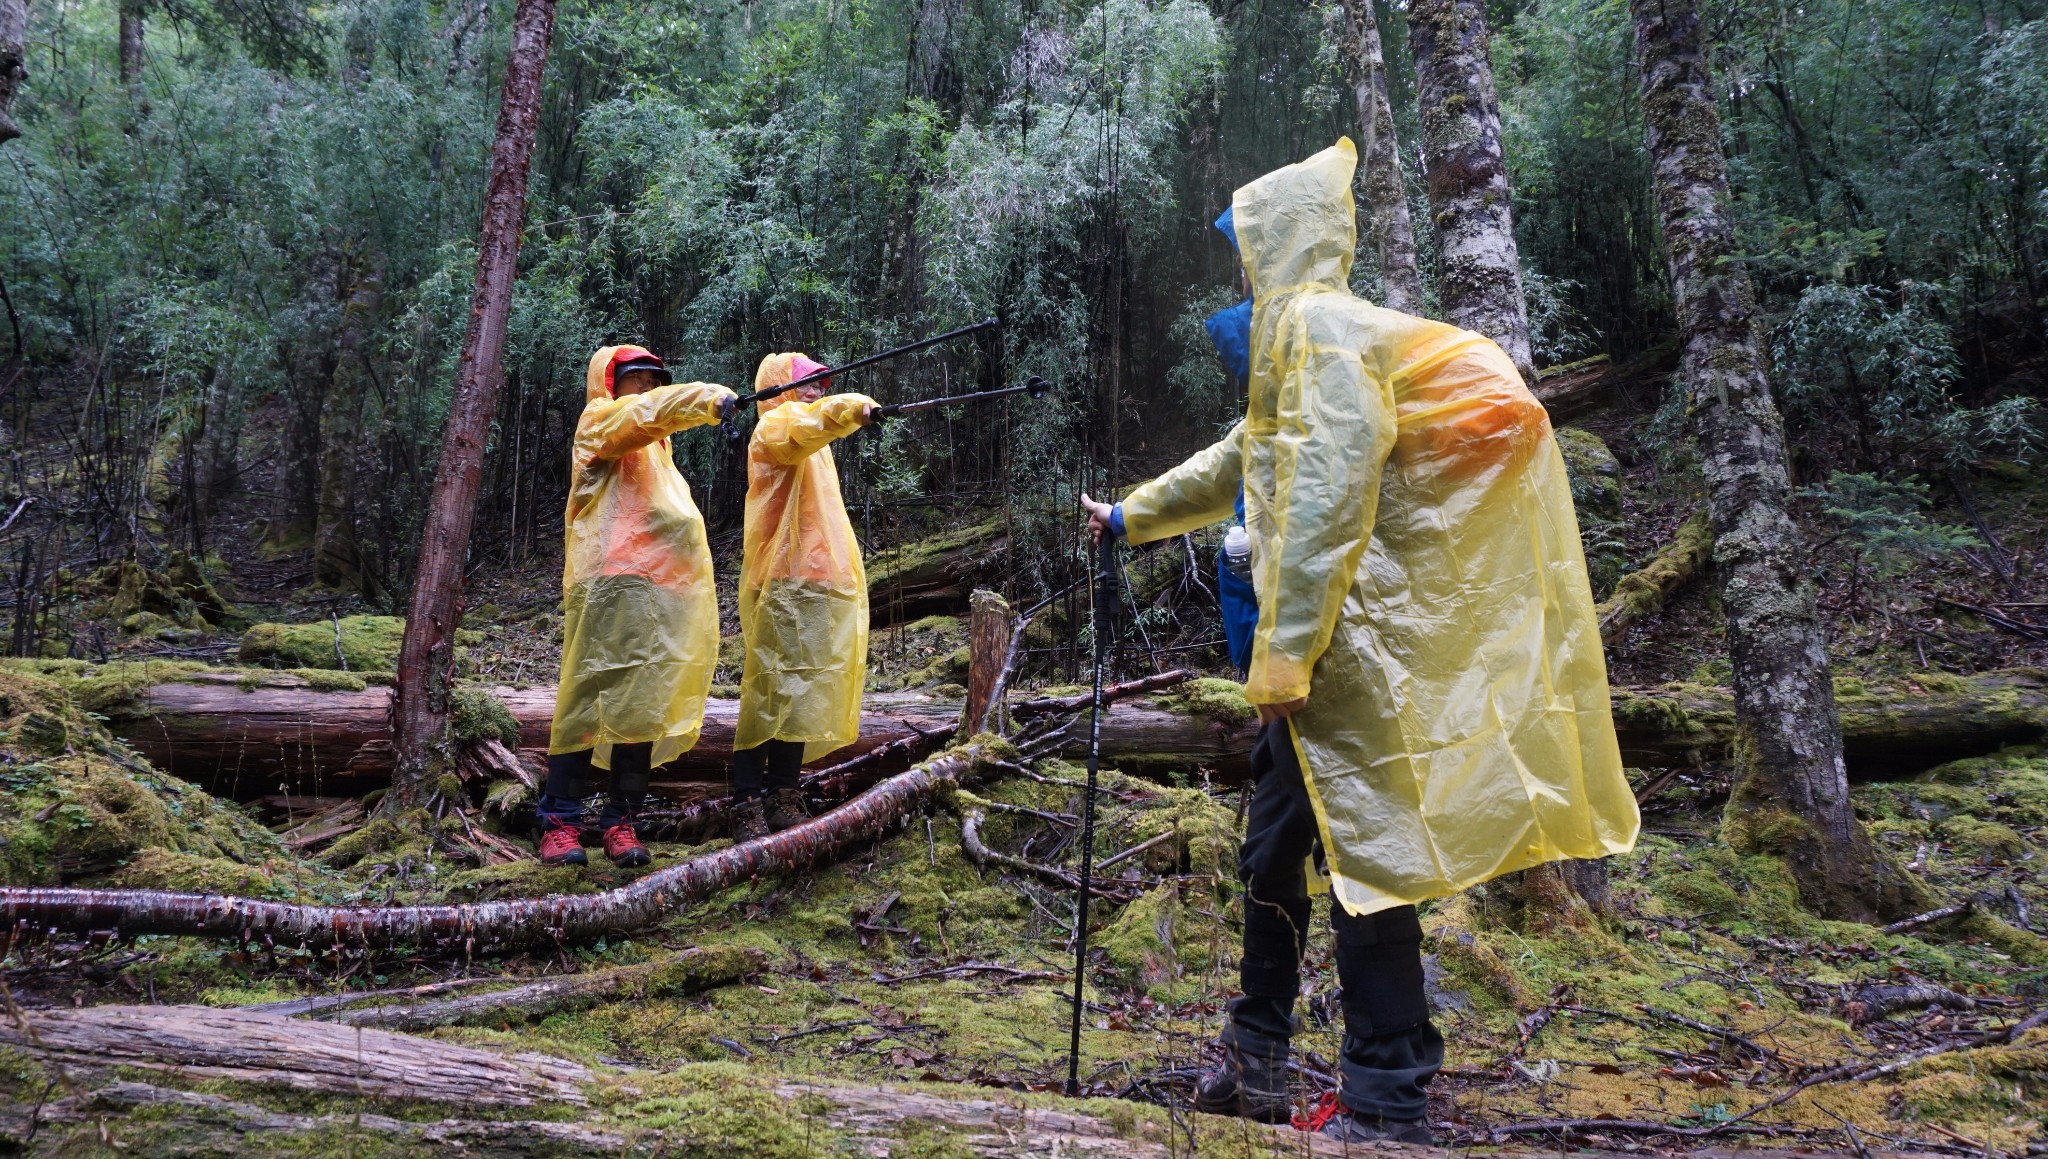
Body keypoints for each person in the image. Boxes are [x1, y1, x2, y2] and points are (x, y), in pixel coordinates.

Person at [1083, 139, 1638, 1142]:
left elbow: (1334, 492)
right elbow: (1240, 462)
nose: (1239, 265)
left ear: (1278, 241)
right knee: (1271, 851)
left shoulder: (1323, 330)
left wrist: (1288, 648)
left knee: (1362, 858)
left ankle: (1388, 1100)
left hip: (1339, 651)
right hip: (1321, 655)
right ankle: (1255, 1057)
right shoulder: (1297, 345)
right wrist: (1125, 516)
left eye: (1247, 244)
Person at [540, 345, 736, 868]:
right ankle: (560, 822)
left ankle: (619, 821)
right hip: (608, 584)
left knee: (642, 710)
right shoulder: (600, 422)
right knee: (587, 700)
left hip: (660, 590)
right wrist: (703, 399)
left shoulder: (658, 452)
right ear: (611, 383)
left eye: (654, 379)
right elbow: (644, 416)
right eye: (637, 378)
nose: (647, 387)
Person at [729, 353, 880, 842]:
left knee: (800, 691)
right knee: (768, 690)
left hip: (815, 584)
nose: (818, 389)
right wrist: (850, 408)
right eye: (808, 382)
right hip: (778, 584)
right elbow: (806, 425)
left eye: (823, 383)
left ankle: (784, 794)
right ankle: (746, 801)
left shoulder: (817, 443)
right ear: (781, 387)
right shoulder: (775, 428)